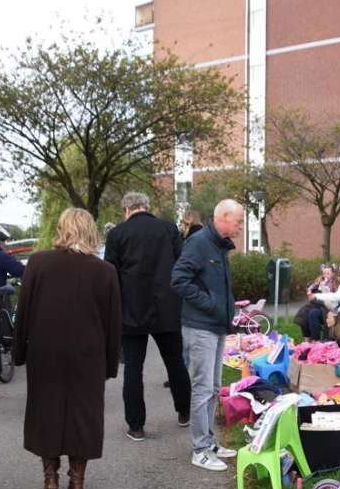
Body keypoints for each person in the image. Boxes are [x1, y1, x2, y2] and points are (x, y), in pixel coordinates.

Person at [14, 209, 121, 489]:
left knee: (46, 411)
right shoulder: (105, 271)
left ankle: (50, 480)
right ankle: (77, 484)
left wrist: (19, 353)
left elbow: (24, 311)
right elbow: (113, 322)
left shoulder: (38, 263)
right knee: (83, 415)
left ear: (61, 229)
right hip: (88, 352)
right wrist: (110, 363)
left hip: (44, 350)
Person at [104, 192, 191, 440]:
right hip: (167, 308)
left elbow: (111, 274)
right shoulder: (168, 229)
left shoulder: (117, 234)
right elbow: (181, 264)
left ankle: (136, 425)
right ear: (146, 206)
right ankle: (184, 411)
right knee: (175, 362)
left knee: (133, 369)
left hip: (132, 310)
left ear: (126, 210)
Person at [171, 199, 243, 472]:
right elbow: (179, 279)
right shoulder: (199, 242)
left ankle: (209, 442)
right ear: (223, 217)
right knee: (202, 389)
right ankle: (199, 450)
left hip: (216, 325)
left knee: (213, 388)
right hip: (201, 326)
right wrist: (211, 304)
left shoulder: (219, 245)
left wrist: (225, 309)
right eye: (238, 220)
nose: (241, 226)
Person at [307, 258, 340, 341]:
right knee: (313, 313)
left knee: (315, 312)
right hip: (335, 312)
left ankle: (319, 342)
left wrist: (316, 295)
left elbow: (336, 296)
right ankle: (315, 341)